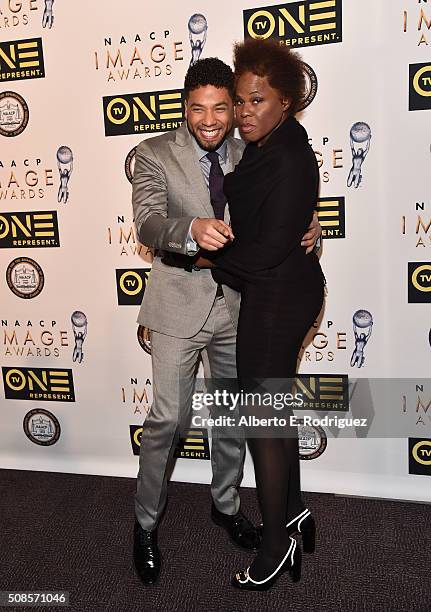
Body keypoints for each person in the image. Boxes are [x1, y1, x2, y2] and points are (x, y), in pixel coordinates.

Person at [131, 57, 321, 586]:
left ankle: (227, 505)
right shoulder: (152, 154)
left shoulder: (251, 146)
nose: (214, 119)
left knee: (235, 420)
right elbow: (148, 223)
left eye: (225, 107)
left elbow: (280, 210)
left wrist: (312, 226)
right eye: (201, 109)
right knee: (167, 420)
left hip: (242, 306)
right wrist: (190, 227)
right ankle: (145, 524)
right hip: (176, 305)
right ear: (185, 108)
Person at [196, 39, 326, 591]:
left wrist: (204, 255)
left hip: (278, 295)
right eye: (240, 101)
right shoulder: (270, 144)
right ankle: (293, 514)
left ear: (286, 103)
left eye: (257, 101)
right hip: (274, 290)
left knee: (263, 421)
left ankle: (274, 546)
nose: (245, 113)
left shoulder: (290, 156)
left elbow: (270, 247)